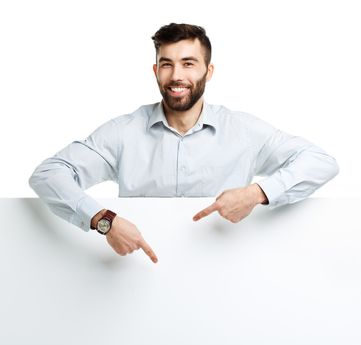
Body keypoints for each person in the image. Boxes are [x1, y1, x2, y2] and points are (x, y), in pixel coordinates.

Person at [29, 23, 339, 264]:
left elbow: (320, 161)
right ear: (156, 71)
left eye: (189, 63)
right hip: (133, 287)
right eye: (167, 64)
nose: (177, 75)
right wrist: (103, 221)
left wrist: (257, 193)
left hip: (232, 285)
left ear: (209, 70)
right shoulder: (123, 132)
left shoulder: (243, 131)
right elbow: (48, 174)